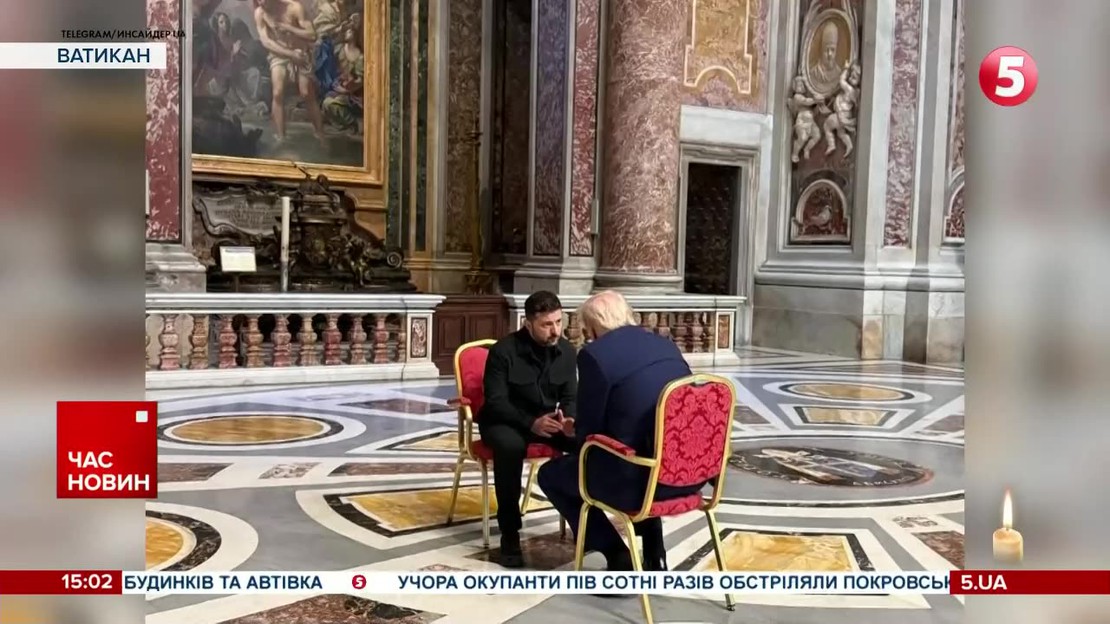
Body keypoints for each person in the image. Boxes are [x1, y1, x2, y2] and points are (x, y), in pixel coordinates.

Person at [537, 291, 709, 572]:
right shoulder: (666, 346)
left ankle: (617, 555)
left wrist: (572, 431)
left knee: (553, 475)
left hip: (636, 486)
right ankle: (655, 555)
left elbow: (589, 434)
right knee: (646, 448)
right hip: (688, 476)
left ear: (593, 327)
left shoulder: (595, 355)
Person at [479, 291, 577, 568]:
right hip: (504, 421)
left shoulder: (567, 351)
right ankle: (510, 533)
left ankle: (586, 523)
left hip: (547, 421)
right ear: (528, 323)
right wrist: (530, 422)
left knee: (587, 443)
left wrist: (569, 419)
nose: (555, 330)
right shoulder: (503, 351)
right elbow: (496, 402)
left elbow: (570, 396)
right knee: (510, 447)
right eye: (547, 325)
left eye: (558, 322)